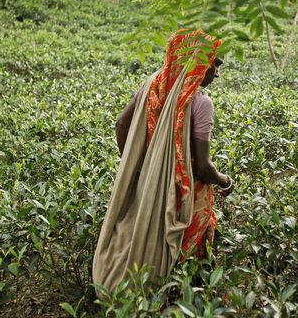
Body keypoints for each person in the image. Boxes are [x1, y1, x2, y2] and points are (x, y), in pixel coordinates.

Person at [92, 29, 234, 293]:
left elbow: (121, 123)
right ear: (197, 62)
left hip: (146, 182)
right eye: (214, 63)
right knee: (182, 249)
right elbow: (203, 168)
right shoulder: (201, 103)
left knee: (134, 231)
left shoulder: (153, 83)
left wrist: (140, 168)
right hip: (182, 192)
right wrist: (226, 181)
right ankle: (179, 295)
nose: (217, 72)